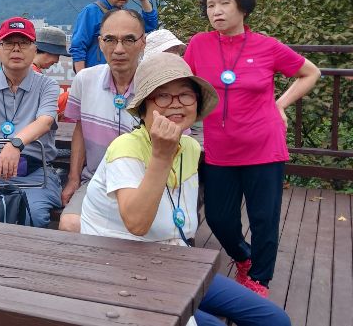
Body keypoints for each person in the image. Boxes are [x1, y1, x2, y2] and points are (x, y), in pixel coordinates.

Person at [80, 52, 289, 326]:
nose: (176, 104)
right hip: (121, 269)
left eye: (186, 95)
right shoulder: (126, 148)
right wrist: (161, 156)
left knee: (275, 320)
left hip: (174, 261)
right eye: (162, 96)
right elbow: (137, 223)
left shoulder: (189, 146)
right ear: (143, 107)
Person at [184, 0, 320, 297]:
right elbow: (184, 83)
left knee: (263, 218)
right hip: (219, 150)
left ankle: (260, 280)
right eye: (210, 5)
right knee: (218, 217)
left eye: (224, 3)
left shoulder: (266, 46)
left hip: (263, 146)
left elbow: (310, 72)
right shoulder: (199, 44)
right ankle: (244, 256)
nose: (216, 11)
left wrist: (279, 104)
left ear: (242, 7)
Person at [0, 17, 62, 227]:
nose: (16, 49)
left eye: (23, 43)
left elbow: (45, 121)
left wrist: (15, 144)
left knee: (32, 215)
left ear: (35, 50)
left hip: (35, 174)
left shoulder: (48, 86)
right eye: (8, 43)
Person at [59, 9, 147, 233]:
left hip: (143, 184)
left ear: (143, 42)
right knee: (69, 224)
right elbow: (80, 129)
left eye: (128, 40)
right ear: (100, 43)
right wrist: (73, 179)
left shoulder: (156, 85)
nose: (118, 49)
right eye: (110, 39)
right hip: (96, 181)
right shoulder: (85, 80)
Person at [70, 0, 159, 72]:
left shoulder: (125, 14)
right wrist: (81, 76)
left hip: (121, 74)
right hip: (96, 74)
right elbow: (78, 47)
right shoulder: (91, 12)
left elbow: (150, 26)